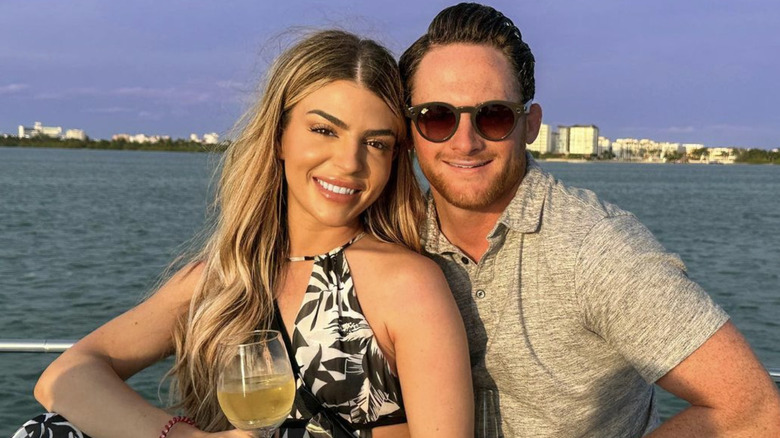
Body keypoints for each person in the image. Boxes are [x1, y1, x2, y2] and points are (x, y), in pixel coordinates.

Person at [19, 30, 473, 438]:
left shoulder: (407, 284)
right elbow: (66, 375)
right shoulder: (223, 279)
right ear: (278, 136)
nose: (350, 162)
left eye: (376, 143)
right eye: (324, 130)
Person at [399, 3, 780, 437]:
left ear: (530, 124)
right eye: (438, 117)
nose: (465, 142)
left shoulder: (596, 248)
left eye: (494, 116)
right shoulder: (397, 235)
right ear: (410, 130)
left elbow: (753, 408)